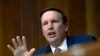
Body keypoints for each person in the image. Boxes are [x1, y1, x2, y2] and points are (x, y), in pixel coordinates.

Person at [7, 8, 96, 56]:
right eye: (45, 23)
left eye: (54, 21)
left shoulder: (87, 42)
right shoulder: (39, 55)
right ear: (43, 32)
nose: (49, 27)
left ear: (65, 27)